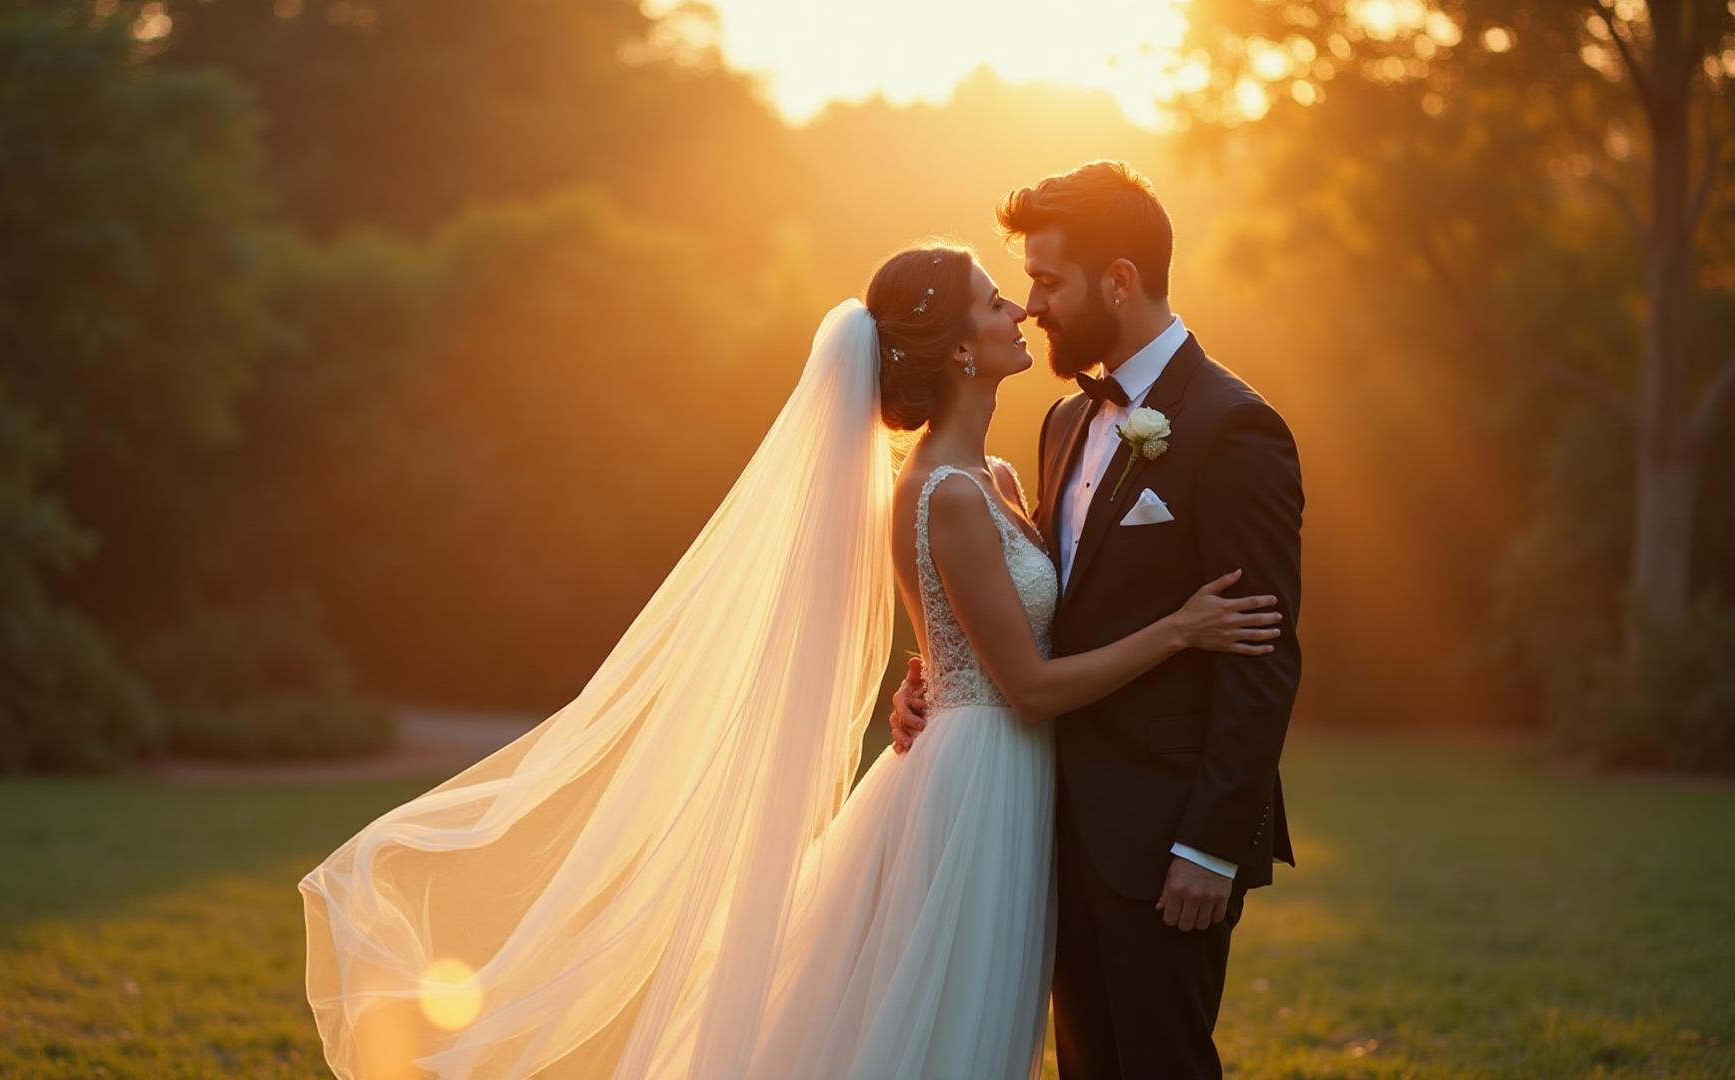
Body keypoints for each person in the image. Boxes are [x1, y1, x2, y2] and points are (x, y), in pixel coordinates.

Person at [299, 231, 1281, 1080]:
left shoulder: (1002, 473)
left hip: (1015, 777)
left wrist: (933, 678)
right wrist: (1179, 631)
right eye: (994, 302)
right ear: (955, 353)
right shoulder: (941, 492)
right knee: (941, 1039)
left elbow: (1003, 637)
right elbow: (1022, 684)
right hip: (977, 785)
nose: (1017, 311)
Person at [892, 161, 1305, 1079]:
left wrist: (1210, 843)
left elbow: (1263, 659)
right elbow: (1030, 613)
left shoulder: (1235, 429)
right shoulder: (1060, 425)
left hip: (1168, 846)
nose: (1031, 307)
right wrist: (931, 680)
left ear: (1118, 281)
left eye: (1047, 282)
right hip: (1051, 826)